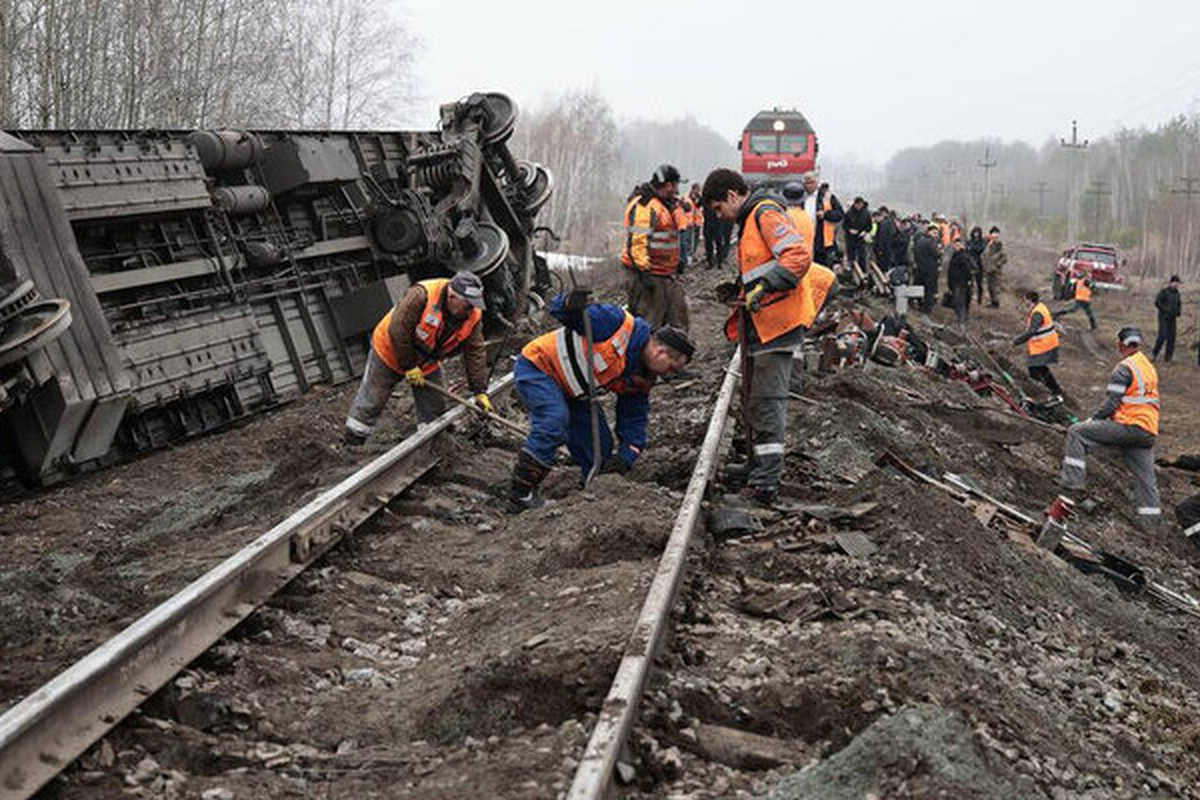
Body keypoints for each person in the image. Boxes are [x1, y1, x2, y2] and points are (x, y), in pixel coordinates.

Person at [702, 168, 835, 504]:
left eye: (719, 208)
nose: (719, 216)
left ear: (732, 195)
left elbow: (797, 257)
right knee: (753, 399)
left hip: (777, 322)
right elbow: (762, 265)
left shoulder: (764, 213)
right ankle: (755, 465)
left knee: (767, 401)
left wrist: (764, 286)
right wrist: (743, 286)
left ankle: (765, 483)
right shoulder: (750, 219)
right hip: (763, 322)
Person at [507, 292, 695, 511]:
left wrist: (626, 456)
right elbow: (562, 311)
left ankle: (591, 496)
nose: (669, 375)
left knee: (600, 448)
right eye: (672, 368)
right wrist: (571, 304)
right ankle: (520, 494)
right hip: (539, 368)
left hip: (576, 392)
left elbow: (634, 418)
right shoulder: (616, 323)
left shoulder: (641, 377)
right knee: (553, 420)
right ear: (661, 351)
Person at [344, 272, 490, 444]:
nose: (471, 310)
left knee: (434, 407)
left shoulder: (473, 316)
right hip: (389, 350)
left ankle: (432, 443)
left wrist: (480, 390)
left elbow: (475, 352)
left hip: (426, 360)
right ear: (452, 297)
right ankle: (353, 441)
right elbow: (399, 329)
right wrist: (409, 365)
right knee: (372, 400)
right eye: (468, 306)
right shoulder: (421, 295)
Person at [1060, 327, 1160, 526]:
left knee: (1077, 432)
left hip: (1129, 426)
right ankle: (1152, 525)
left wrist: (1093, 420)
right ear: (1138, 344)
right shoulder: (1148, 367)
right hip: (1147, 431)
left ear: (1120, 344)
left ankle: (1072, 485)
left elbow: (1112, 402)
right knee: (1146, 479)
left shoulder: (1124, 368)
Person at [620, 164, 689, 330]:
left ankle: (673, 352)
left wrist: (677, 260)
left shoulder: (665, 204)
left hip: (665, 273)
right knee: (649, 323)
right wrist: (645, 273)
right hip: (648, 274)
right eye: (676, 185)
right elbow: (638, 242)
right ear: (668, 185)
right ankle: (646, 354)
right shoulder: (645, 206)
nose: (677, 189)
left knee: (678, 318)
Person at [1012, 290, 1063, 397]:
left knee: (1036, 368)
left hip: (1043, 344)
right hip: (1045, 343)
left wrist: (1017, 341)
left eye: (1025, 299)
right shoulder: (1040, 307)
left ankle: (1049, 390)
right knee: (1038, 368)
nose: (1024, 302)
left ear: (1030, 300)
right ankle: (1048, 390)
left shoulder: (1037, 313)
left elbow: (1031, 331)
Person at [801, 171, 844, 266]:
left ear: (817, 182)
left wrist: (825, 215)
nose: (809, 186)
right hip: (803, 242)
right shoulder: (800, 198)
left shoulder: (827, 197)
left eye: (812, 182)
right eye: (807, 183)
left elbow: (840, 215)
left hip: (822, 243)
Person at [1153, 275, 1182, 362]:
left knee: (1172, 338)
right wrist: (1165, 310)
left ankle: (1168, 357)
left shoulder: (1177, 294)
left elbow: (1179, 304)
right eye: (1175, 283)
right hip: (1163, 318)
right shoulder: (1164, 292)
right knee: (1162, 336)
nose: (1177, 285)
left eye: (1178, 283)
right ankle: (1154, 354)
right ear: (1171, 282)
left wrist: (1178, 312)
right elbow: (1157, 302)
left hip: (1172, 319)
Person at [913, 223, 942, 313]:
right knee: (929, 289)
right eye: (934, 233)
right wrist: (940, 251)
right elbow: (936, 254)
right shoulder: (930, 242)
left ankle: (917, 302)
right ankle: (927, 308)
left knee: (919, 286)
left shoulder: (920, 240)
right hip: (930, 268)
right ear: (929, 232)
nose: (936, 235)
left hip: (920, 267)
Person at [947, 238, 974, 324]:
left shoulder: (964, 256)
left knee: (960, 302)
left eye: (959, 245)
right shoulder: (955, 255)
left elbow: (968, 270)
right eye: (955, 245)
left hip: (962, 282)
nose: (957, 247)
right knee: (958, 301)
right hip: (955, 282)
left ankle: (962, 320)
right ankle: (962, 318)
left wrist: (969, 280)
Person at [843, 197, 872, 276]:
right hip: (850, 237)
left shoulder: (866, 213)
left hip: (861, 237)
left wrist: (865, 232)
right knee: (851, 254)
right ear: (855, 204)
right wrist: (849, 230)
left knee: (862, 255)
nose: (858, 206)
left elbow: (869, 226)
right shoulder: (849, 213)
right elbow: (844, 225)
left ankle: (863, 271)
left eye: (860, 204)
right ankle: (850, 270)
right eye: (857, 204)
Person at [981, 226, 1007, 307]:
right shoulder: (987, 244)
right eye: (993, 233)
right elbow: (984, 255)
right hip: (988, 269)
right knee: (990, 286)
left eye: (996, 234)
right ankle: (993, 302)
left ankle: (996, 302)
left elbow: (1004, 258)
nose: (995, 235)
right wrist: (984, 265)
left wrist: (997, 265)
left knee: (996, 287)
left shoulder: (1000, 245)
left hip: (996, 270)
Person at [966, 226, 987, 303]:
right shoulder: (969, 241)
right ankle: (969, 297)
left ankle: (979, 299)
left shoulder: (983, 241)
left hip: (979, 263)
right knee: (969, 282)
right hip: (970, 263)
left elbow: (981, 249)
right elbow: (967, 250)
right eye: (975, 232)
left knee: (979, 283)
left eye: (977, 232)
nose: (976, 234)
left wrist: (972, 248)